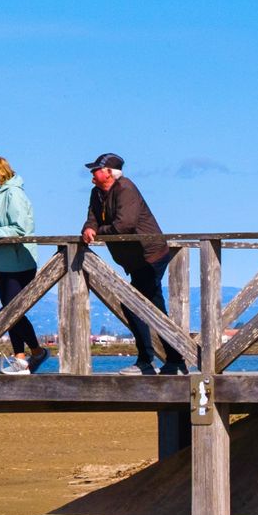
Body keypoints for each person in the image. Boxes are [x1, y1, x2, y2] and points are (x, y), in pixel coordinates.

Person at [80, 153, 189, 376]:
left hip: (150, 256)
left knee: (134, 305)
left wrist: (98, 231)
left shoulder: (126, 188)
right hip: (134, 260)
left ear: (109, 172)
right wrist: (88, 228)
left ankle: (146, 361)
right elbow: (92, 216)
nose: (92, 173)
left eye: (96, 169)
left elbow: (124, 225)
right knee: (154, 308)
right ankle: (175, 361)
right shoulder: (97, 193)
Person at [0, 155, 49, 375]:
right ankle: (21, 357)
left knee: (13, 310)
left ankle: (34, 352)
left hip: (19, 261)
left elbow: (21, 228)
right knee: (9, 310)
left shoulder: (14, 194)